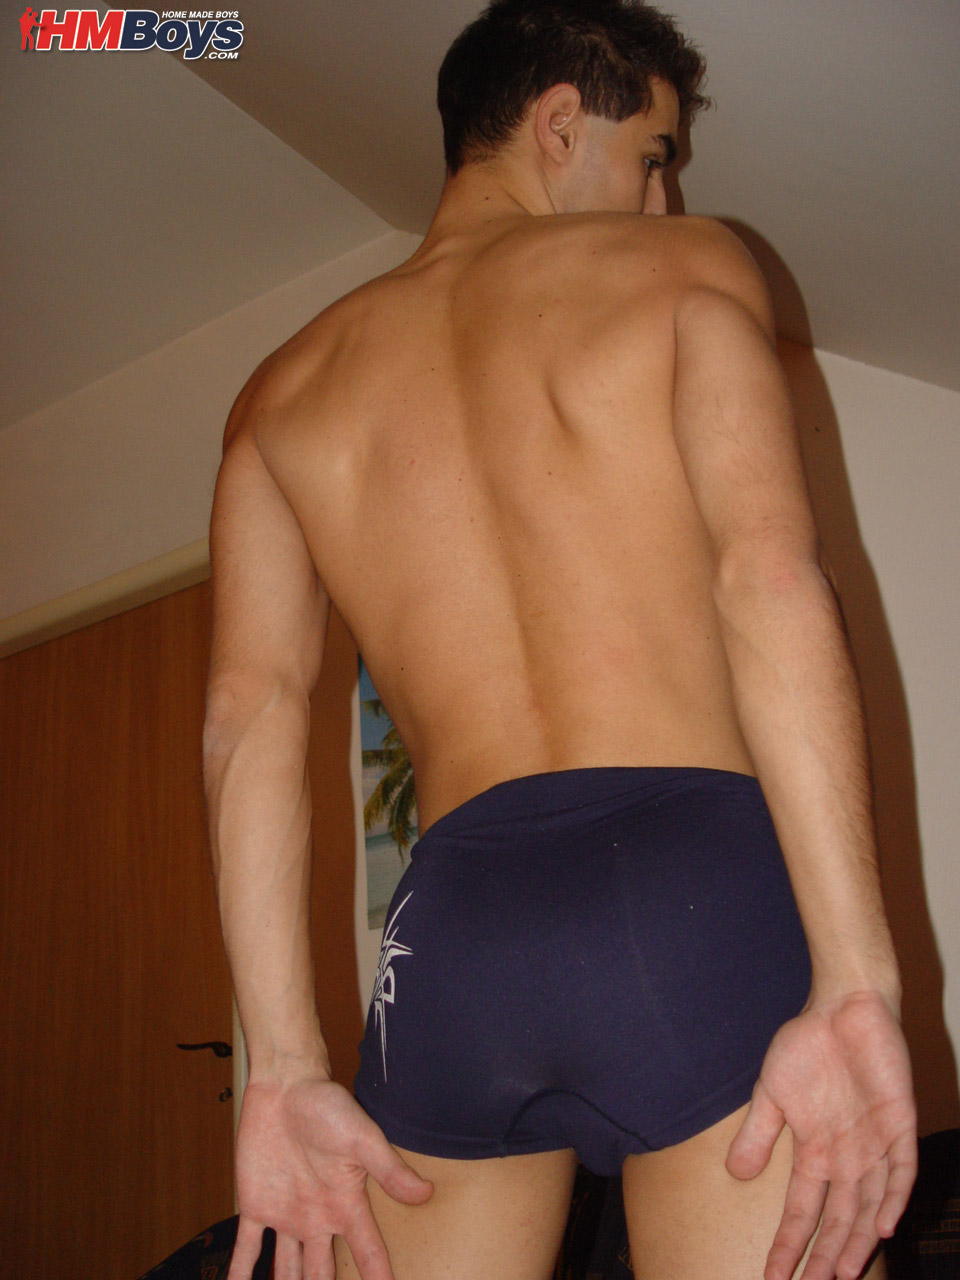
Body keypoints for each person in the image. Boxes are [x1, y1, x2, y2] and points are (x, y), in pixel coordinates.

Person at [201, 2, 918, 1278]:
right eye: (653, 154)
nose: (663, 197)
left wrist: (283, 1069)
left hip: (457, 932)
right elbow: (768, 575)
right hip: (692, 887)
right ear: (558, 121)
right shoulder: (687, 266)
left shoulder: (280, 394)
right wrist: (860, 977)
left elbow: (247, 715)